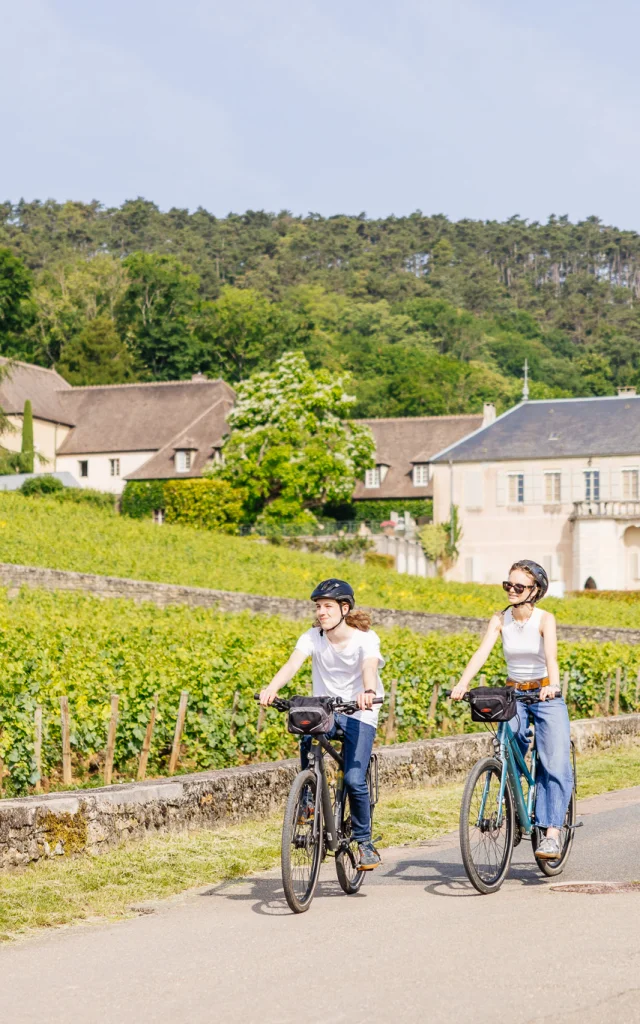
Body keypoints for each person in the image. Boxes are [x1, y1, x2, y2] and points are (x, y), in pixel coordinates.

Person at [450, 559, 573, 858]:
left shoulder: (545, 619)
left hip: (545, 693)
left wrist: (552, 685)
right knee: (508, 743)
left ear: (535, 590)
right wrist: (462, 683)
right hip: (513, 694)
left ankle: (552, 833)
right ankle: (514, 798)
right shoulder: (500, 619)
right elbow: (482, 652)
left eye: (519, 586)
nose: (512, 590)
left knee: (554, 761)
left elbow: (552, 658)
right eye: (508, 585)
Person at [259, 578, 384, 870]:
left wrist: (368, 692)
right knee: (304, 724)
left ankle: (365, 843)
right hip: (326, 710)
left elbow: (369, 666)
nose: (321, 612)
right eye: (318, 607)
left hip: (359, 712)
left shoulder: (366, 638)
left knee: (353, 779)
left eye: (327, 606)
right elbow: (292, 664)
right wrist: (271, 689)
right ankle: (308, 796)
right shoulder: (312, 637)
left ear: (344, 608)